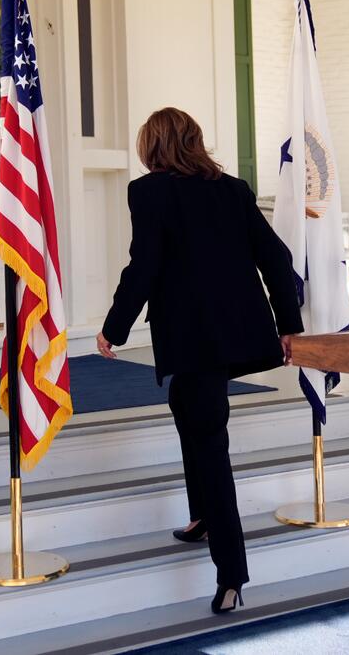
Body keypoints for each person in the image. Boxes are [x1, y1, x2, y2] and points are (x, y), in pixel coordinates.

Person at [96, 107, 303, 615]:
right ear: (194, 141)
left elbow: (143, 265)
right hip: (238, 333)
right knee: (188, 412)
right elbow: (275, 256)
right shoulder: (232, 189)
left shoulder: (149, 192)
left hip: (195, 341)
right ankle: (201, 516)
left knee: (208, 440)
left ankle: (231, 574)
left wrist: (113, 327)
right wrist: (289, 325)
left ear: (153, 146)